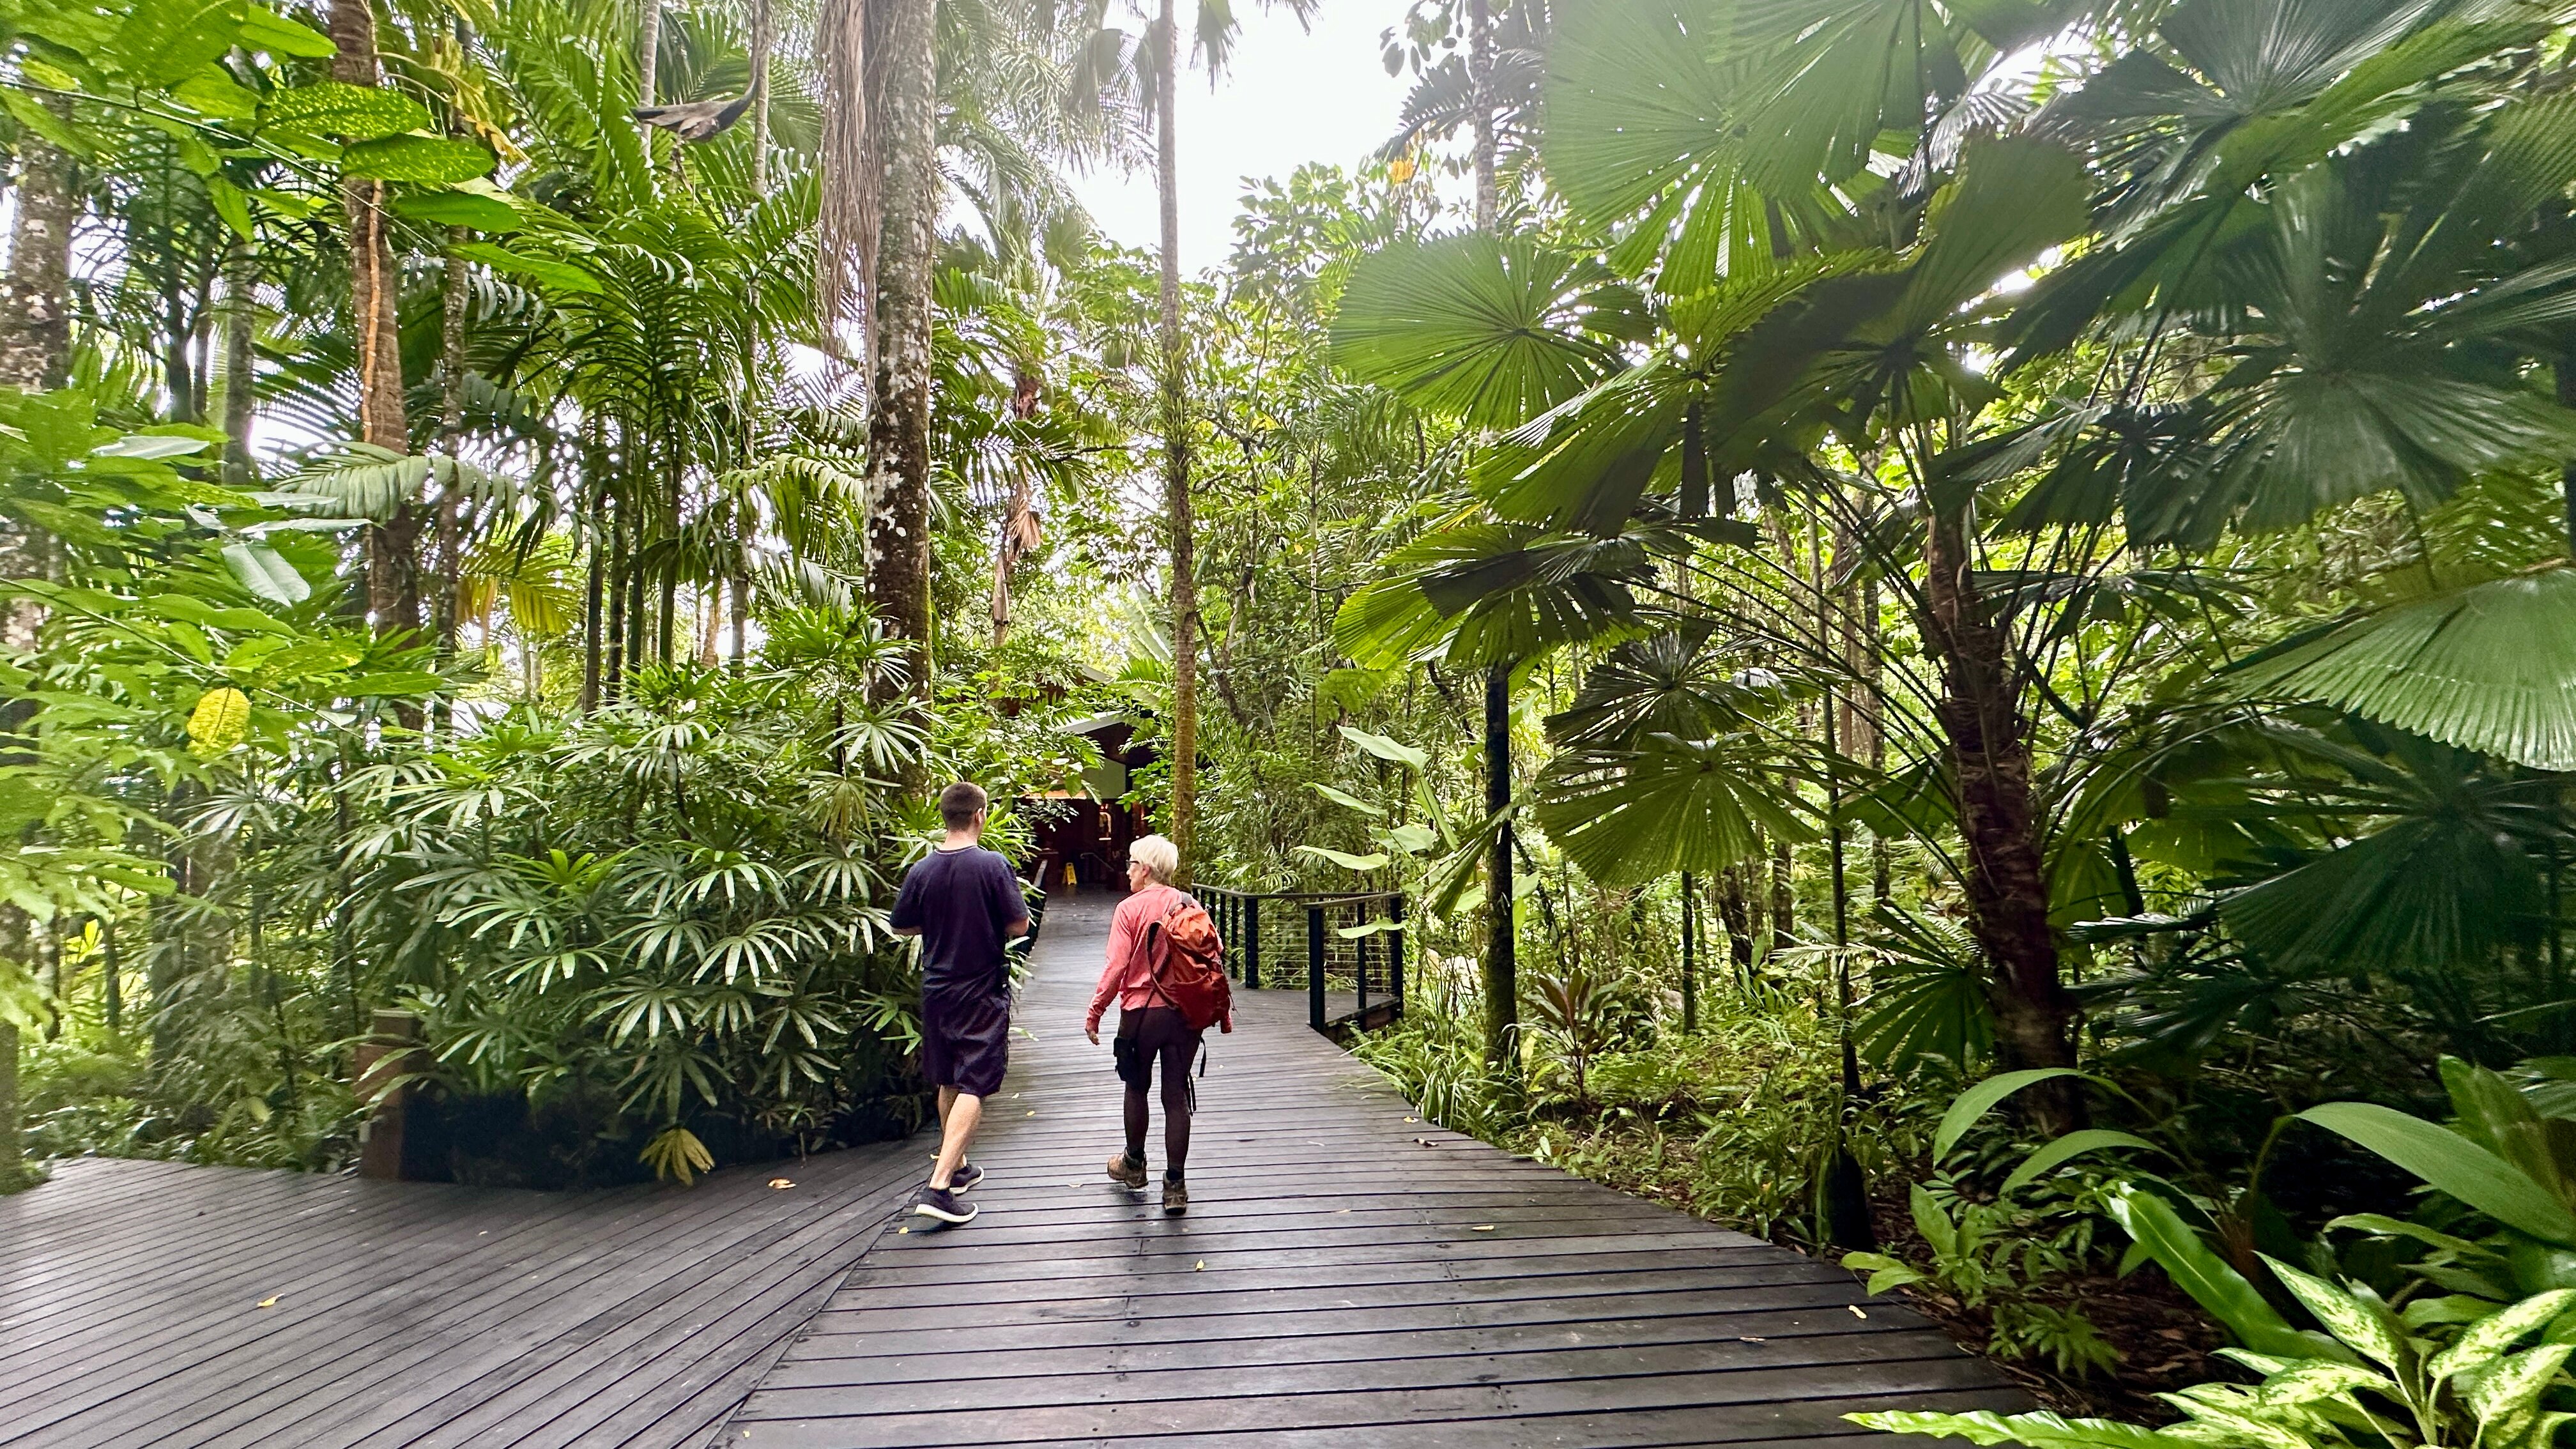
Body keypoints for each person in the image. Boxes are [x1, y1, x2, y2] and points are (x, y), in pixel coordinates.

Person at [890, 781, 1031, 1227]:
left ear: (944, 817)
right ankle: (939, 1185)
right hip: (980, 986)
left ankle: (961, 1164)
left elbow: (902, 926)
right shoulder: (991, 865)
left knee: (949, 1076)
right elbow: (1017, 923)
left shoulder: (922, 870)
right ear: (980, 816)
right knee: (976, 1080)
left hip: (937, 987)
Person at [1084, 834, 1225, 1216]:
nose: (1127, 870)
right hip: (1184, 1016)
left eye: (1131, 863)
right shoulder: (1191, 905)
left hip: (1142, 1014)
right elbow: (1214, 960)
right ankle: (1175, 1187)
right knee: (1175, 1095)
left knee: (1136, 1087)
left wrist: (1095, 1011)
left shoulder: (1129, 909)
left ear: (1144, 869)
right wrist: (1220, 1015)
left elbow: (1116, 968)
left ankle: (1134, 1166)